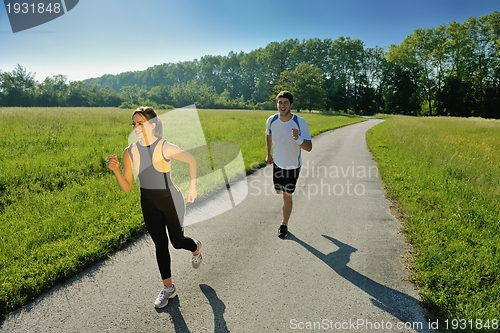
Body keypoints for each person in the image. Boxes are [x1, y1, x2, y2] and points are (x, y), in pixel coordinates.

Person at [107, 106, 202, 309]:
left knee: (177, 242)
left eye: (139, 123)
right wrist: (116, 171)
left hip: (171, 201)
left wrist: (192, 187)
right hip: (148, 203)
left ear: (151, 125)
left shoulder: (164, 146)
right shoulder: (129, 151)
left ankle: (195, 248)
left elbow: (191, 160)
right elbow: (126, 187)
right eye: (133, 124)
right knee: (160, 244)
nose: (135, 127)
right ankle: (168, 288)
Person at [266, 91, 312, 238]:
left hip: (293, 166)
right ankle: (281, 192)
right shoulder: (272, 120)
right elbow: (268, 134)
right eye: (280, 102)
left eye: (285, 102)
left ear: (291, 105)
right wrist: (268, 153)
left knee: (286, 196)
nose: (282, 105)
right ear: (277, 104)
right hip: (278, 164)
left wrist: (298, 138)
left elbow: (309, 147)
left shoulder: (300, 122)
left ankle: (284, 224)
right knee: (278, 191)